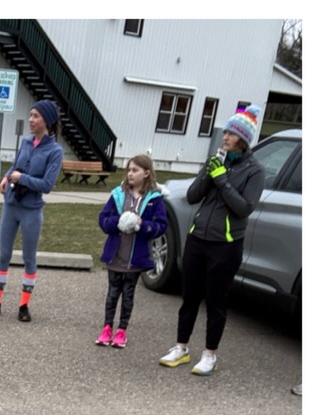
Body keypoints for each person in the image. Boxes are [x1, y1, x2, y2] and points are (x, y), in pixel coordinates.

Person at [159, 106, 264, 377]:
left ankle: (210, 355)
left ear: (243, 139)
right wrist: (209, 172)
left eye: (231, 133)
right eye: (225, 132)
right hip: (198, 238)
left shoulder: (255, 170)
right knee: (189, 297)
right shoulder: (216, 160)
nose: (225, 137)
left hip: (225, 245)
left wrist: (223, 181)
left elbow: (244, 208)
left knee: (215, 301)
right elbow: (193, 196)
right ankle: (181, 348)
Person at [0, 99, 63, 322]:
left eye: (36, 116)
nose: (31, 120)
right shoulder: (26, 142)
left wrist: (21, 178)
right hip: (11, 205)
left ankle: (24, 305)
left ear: (47, 121)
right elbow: (16, 165)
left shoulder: (55, 151)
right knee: (4, 254)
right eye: (30, 115)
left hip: (31, 210)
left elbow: (46, 185)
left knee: (29, 258)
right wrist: (7, 177)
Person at [95, 153, 167, 348]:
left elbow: (161, 226)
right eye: (128, 170)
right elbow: (103, 219)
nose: (130, 174)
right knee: (112, 294)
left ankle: (121, 330)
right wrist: (116, 223)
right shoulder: (118, 195)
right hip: (116, 256)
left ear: (146, 173)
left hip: (135, 260)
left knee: (128, 294)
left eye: (135, 170)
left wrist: (141, 225)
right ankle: (107, 328)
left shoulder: (155, 199)